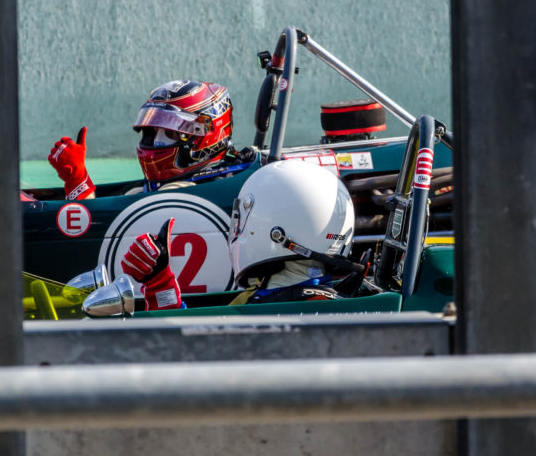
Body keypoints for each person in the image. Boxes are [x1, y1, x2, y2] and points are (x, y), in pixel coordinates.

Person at [118, 159, 375, 310]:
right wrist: (163, 290)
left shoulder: (275, 308)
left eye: (244, 217)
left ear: (278, 235)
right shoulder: (337, 302)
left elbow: (192, 356)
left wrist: (160, 287)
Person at [48, 80, 238, 200]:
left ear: (204, 135)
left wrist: (77, 180)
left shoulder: (179, 195)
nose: (155, 142)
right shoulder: (151, 190)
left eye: (169, 133)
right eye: (152, 132)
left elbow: (98, 225)